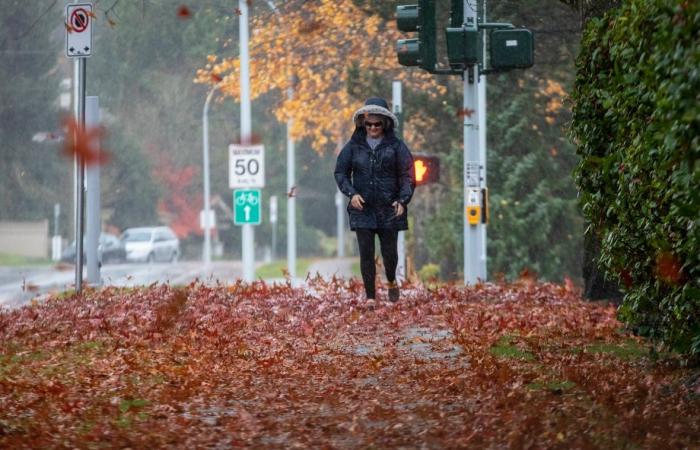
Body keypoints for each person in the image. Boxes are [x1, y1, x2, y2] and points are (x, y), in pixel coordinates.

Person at [334, 97, 415, 304]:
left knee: (390, 254)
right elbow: (340, 173)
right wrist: (351, 194)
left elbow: (407, 176)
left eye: (377, 124)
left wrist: (402, 200)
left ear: (385, 123)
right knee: (366, 254)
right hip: (363, 209)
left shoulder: (397, 147)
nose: (372, 127)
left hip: (390, 209)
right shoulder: (353, 147)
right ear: (363, 123)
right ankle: (370, 297)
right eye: (368, 124)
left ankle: (391, 281)